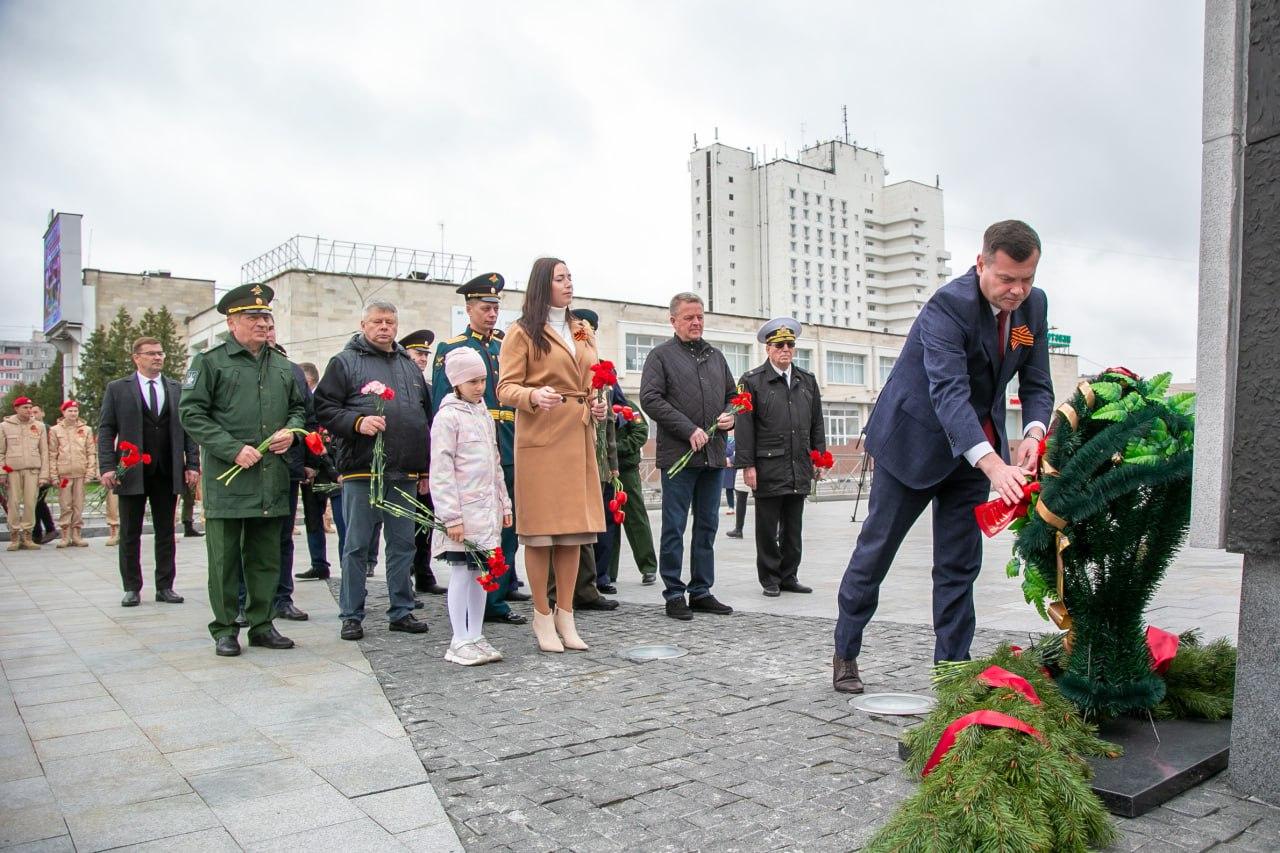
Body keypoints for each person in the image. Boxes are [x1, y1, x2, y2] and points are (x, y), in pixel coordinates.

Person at [832, 220, 1054, 693]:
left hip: (972, 452)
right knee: (876, 551)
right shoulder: (947, 307)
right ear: (981, 264)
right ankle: (846, 650)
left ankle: (952, 671)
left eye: (1027, 278)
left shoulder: (1034, 308)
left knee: (959, 563)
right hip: (912, 443)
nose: (1018, 290)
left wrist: (1034, 432)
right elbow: (949, 394)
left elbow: (1036, 382)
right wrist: (994, 464)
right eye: (1007, 278)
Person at [179, 284, 305, 655]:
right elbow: (191, 413)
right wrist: (232, 449)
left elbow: (300, 409)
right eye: (254, 318)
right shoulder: (210, 363)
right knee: (225, 559)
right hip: (228, 479)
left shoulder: (283, 365)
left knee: (266, 556)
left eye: (267, 317)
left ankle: (262, 624)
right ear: (232, 323)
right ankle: (225, 628)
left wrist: (292, 434)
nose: (263, 324)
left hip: (271, 476)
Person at [496, 257, 608, 652]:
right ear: (543, 284)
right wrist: (532, 395)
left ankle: (567, 615)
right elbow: (505, 388)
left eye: (570, 277)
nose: (568, 283)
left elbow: (594, 381)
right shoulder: (522, 331)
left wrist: (599, 405)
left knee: (574, 534)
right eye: (560, 278)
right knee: (541, 535)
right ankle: (542, 617)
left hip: (578, 433)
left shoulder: (582, 328)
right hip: (541, 436)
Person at [313, 299, 433, 642]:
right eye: (378, 321)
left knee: (402, 544)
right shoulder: (345, 362)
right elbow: (323, 407)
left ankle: (401, 609)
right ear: (363, 324)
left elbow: (423, 417)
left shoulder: (409, 367)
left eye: (390, 322)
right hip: (362, 470)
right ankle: (352, 614)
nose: (385, 327)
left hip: (403, 470)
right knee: (357, 545)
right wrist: (357, 422)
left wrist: (424, 468)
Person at [433, 273, 531, 627]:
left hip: (506, 439)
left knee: (507, 522)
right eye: (485, 308)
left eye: (495, 308)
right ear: (469, 309)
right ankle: (486, 602)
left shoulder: (503, 345)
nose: (492, 314)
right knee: (479, 530)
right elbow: (442, 403)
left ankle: (501, 588)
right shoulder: (454, 347)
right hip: (472, 444)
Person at [639, 292, 736, 621]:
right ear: (673, 321)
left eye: (700, 317)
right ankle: (674, 592)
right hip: (679, 457)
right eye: (689, 317)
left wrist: (730, 416)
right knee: (674, 527)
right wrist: (688, 428)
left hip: (712, 456)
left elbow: (734, 397)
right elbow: (650, 399)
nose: (696, 323)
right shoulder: (660, 356)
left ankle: (701, 590)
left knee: (707, 526)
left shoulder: (716, 356)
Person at [100, 337, 200, 607]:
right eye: (151, 354)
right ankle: (132, 587)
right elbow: (107, 428)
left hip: (167, 470)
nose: (158, 358)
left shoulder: (177, 389)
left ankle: (165, 586)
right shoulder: (118, 389)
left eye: (161, 353)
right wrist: (107, 466)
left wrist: (192, 464)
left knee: (166, 531)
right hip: (131, 470)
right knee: (130, 531)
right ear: (137, 357)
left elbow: (190, 428)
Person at [431, 348, 513, 665]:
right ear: (456, 382)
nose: (479, 387)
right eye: (472, 381)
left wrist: (504, 504)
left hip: (486, 512)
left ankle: (475, 634)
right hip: (463, 513)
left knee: (482, 575)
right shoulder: (448, 418)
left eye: (482, 380)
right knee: (462, 574)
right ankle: (459, 638)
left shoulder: (483, 414)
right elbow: (441, 469)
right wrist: (451, 516)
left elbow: (495, 465)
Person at [734, 317, 825, 597]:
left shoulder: (806, 381)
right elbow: (744, 426)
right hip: (768, 464)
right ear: (768, 349)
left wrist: (818, 458)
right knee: (767, 526)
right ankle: (770, 578)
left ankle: (789, 575)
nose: (785, 349)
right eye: (778, 345)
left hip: (798, 463)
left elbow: (817, 422)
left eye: (790, 345)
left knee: (793, 527)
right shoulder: (751, 381)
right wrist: (747, 465)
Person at [400, 328, 446, 600]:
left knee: (424, 525)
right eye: (418, 353)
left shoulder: (428, 388)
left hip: (427, 466)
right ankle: (404, 582)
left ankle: (424, 574)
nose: (423, 359)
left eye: (426, 354)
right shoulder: (398, 385)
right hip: (405, 463)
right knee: (403, 530)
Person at [605, 385, 658, 586]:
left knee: (636, 519)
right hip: (603, 472)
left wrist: (616, 449)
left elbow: (641, 432)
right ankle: (608, 571)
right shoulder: (594, 405)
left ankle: (648, 567)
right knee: (608, 521)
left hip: (626, 469)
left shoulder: (627, 407)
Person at [294, 362, 336, 583]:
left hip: (327, 467)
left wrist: (314, 462)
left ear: (307, 379)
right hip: (311, 469)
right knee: (313, 517)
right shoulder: (303, 398)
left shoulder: (321, 397)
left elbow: (315, 432)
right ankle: (318, 563)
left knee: (338, 517)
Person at [0, 396, 49, 551]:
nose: (28, 411)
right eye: (25, 408)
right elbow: (1, 452)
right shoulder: (4, 426)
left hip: (32, 470)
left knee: (30, 503)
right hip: (12, 470)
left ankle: (27, 535)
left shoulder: (39, 426)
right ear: (16, 408)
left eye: (30, 408)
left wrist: (44, 475)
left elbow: (44, 452)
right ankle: (14, 535)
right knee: (13, 503)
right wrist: (3, 472)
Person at [49, 400, 98, 548]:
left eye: (75, 411)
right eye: (70, 411)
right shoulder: (55, 430)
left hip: (80, 473)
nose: (73, 413)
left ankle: (77, 534)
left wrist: (90, 472)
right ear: (63, 412)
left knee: (78, 505)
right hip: (64, 474)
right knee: (65, 504)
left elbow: (90, 452)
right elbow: (52, 454)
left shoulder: (86, 429)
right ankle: (65, 535)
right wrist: (53, 475)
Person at [28, 406, 58, 545]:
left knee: (38, 500)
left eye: (36, 412)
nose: (33, 414)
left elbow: (52, 451)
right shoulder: (29, 428)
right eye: (31, 412)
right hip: (32, 469)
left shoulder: (48, 429)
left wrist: (51, 472)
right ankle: (38, 532)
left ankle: (45, 530)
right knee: (34, 501)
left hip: (45, 470)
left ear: (42, 413)